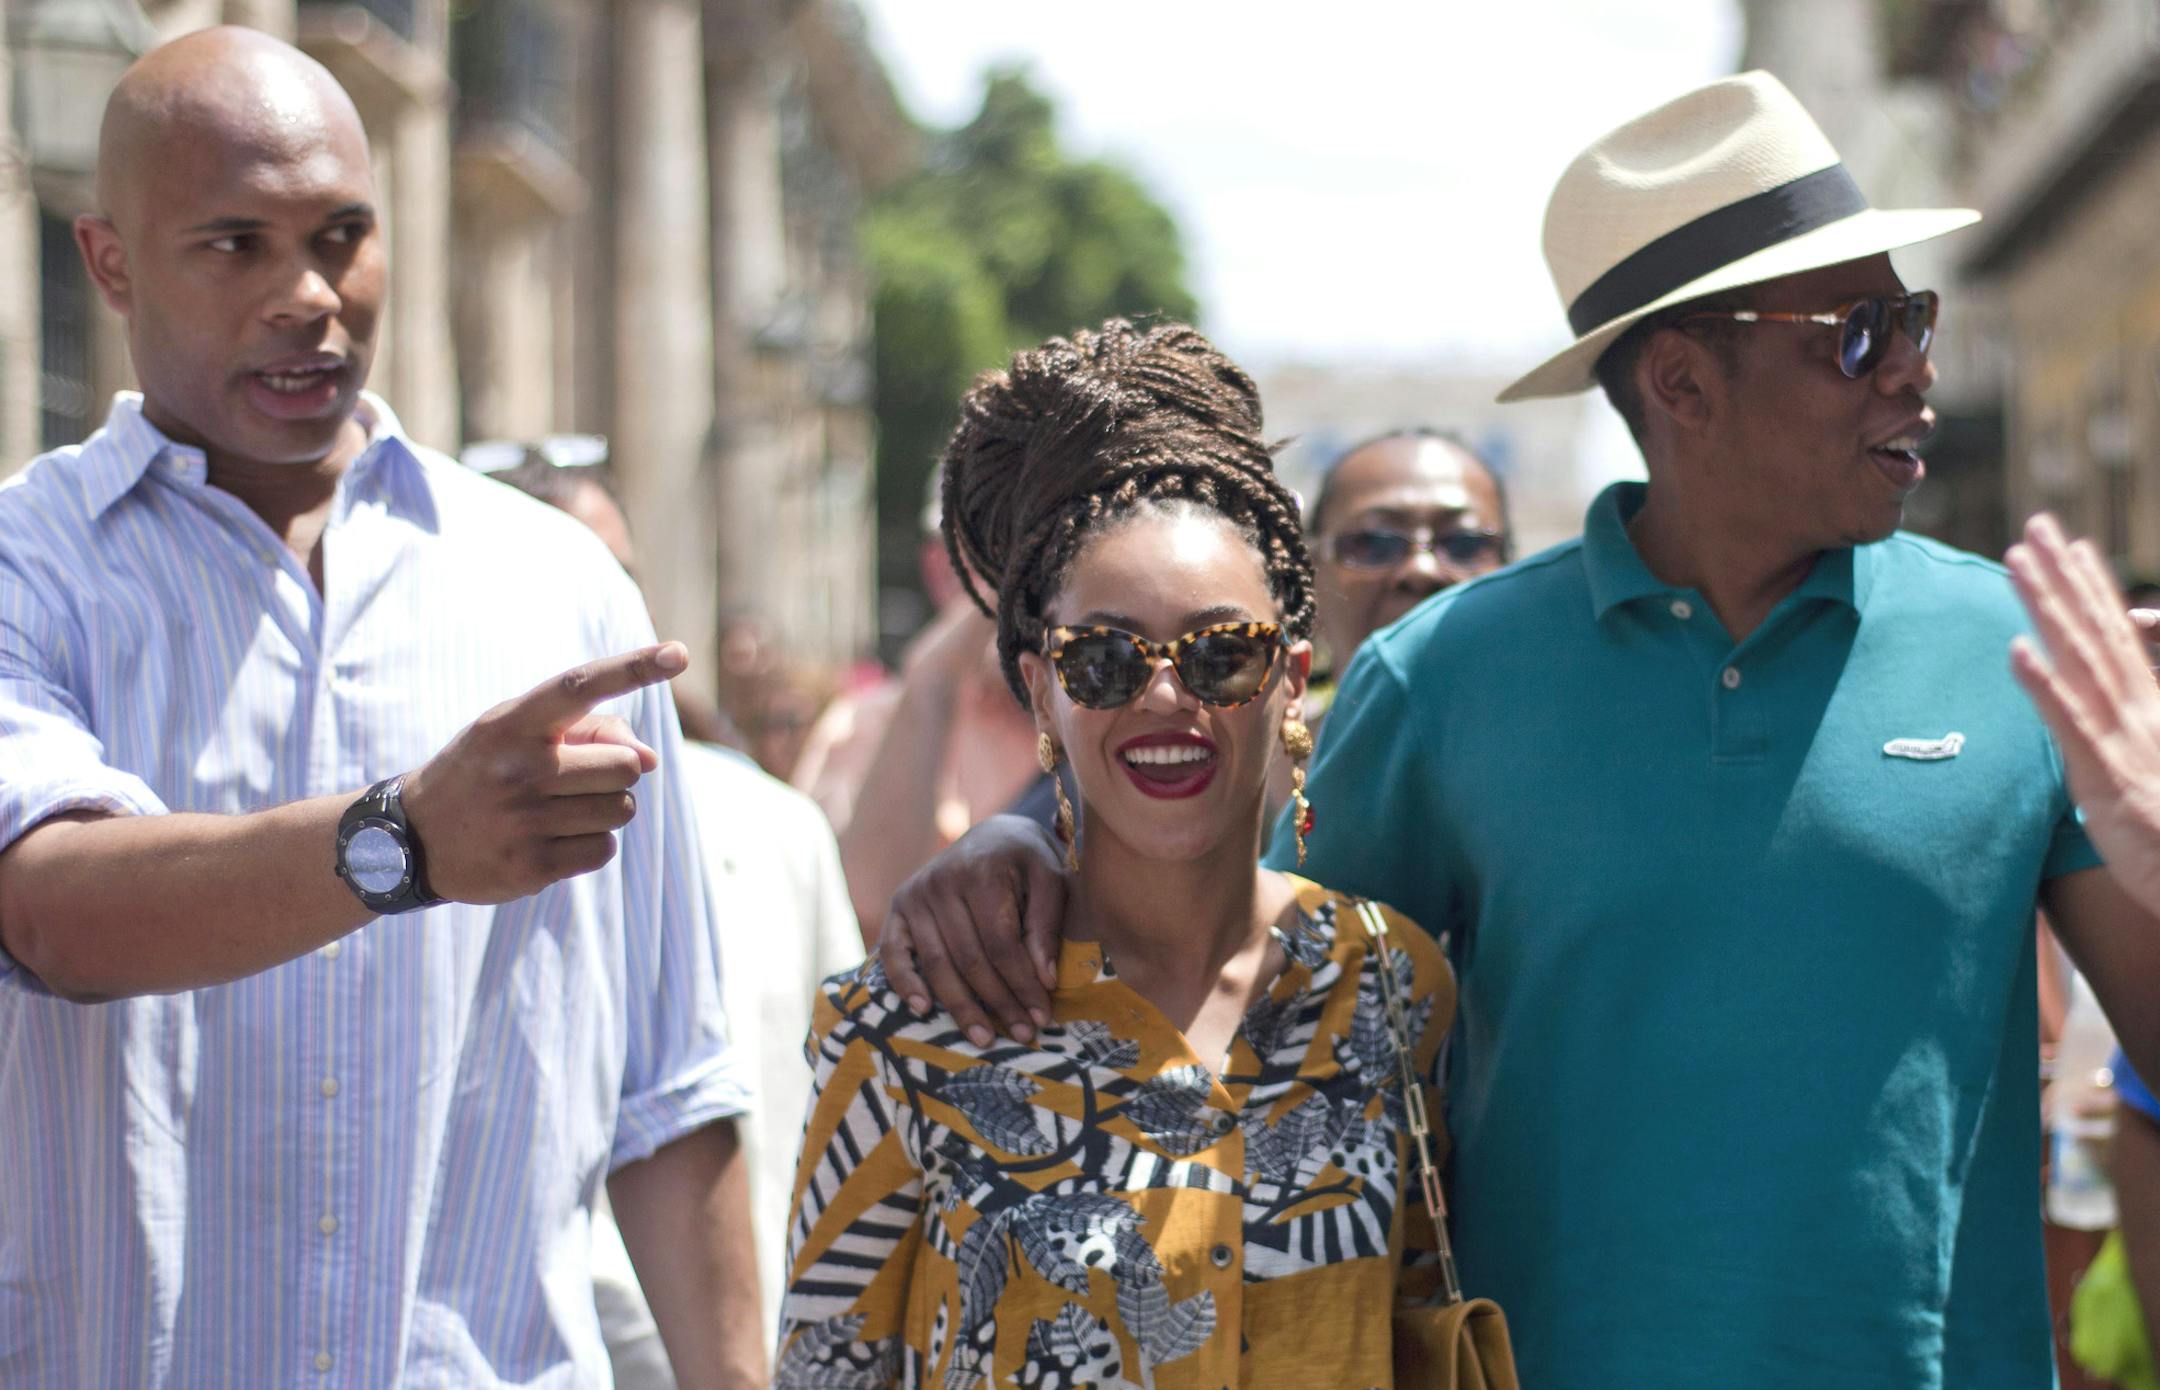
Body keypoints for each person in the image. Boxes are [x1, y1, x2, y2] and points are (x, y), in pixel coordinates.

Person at [871, 72, 2160, 1388]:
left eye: (1916, 319)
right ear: (1682, 382)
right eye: (1859, 329)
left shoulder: (2023, 650)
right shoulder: (1447, 681)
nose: (1914, 369)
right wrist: (1031, 857)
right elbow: (1248, 1013)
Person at [0, 30, 762, 1387]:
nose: (310, 296)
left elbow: (671, 1088)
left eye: (342, 234)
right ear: (109, 260)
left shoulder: (557, 584)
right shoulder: (27, 573)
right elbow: (50, 909)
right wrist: (402, 841)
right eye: (233, 244)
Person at [774, 320, 1456, 1387]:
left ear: (1291, 678)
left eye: (1221, 652)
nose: (1166, 696)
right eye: (1105, 658)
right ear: (1043, 687)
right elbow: (828, 1368)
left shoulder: (1389, 986)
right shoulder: (911, 1020)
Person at [493, 442, 865, 1356]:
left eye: (613, 583)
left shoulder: (776, 829)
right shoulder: (419, 860)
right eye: (547, 585)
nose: (592, 625)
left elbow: (852, 1122)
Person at [793, 483, 1047, 930]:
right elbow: (862, 915)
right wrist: (932, 679)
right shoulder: (867, 726)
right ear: (937, 568)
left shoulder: (1109, 713)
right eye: (990, 559)